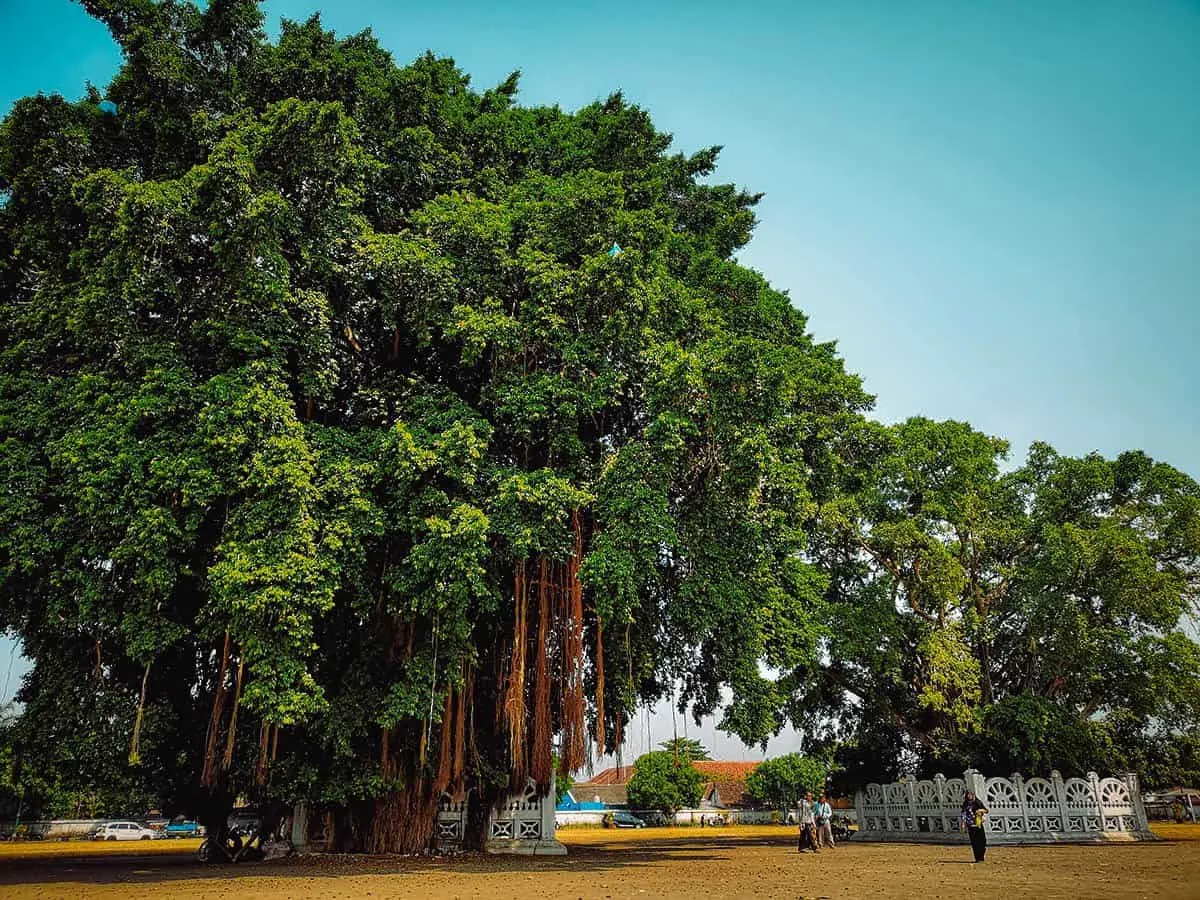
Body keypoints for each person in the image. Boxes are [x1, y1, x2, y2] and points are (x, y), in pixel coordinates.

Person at [960, 790, 989, 863]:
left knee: (982, 841)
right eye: (968, 795)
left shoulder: (977, 802)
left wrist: (980, 810)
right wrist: (963, 823)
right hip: (971, 825)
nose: (969, 796)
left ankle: (981, 856)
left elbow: (986, 810)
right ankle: (978, 858)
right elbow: (963, 814)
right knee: (974, 842)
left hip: (978, 824)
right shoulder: (965, 804)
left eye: (971, 795)